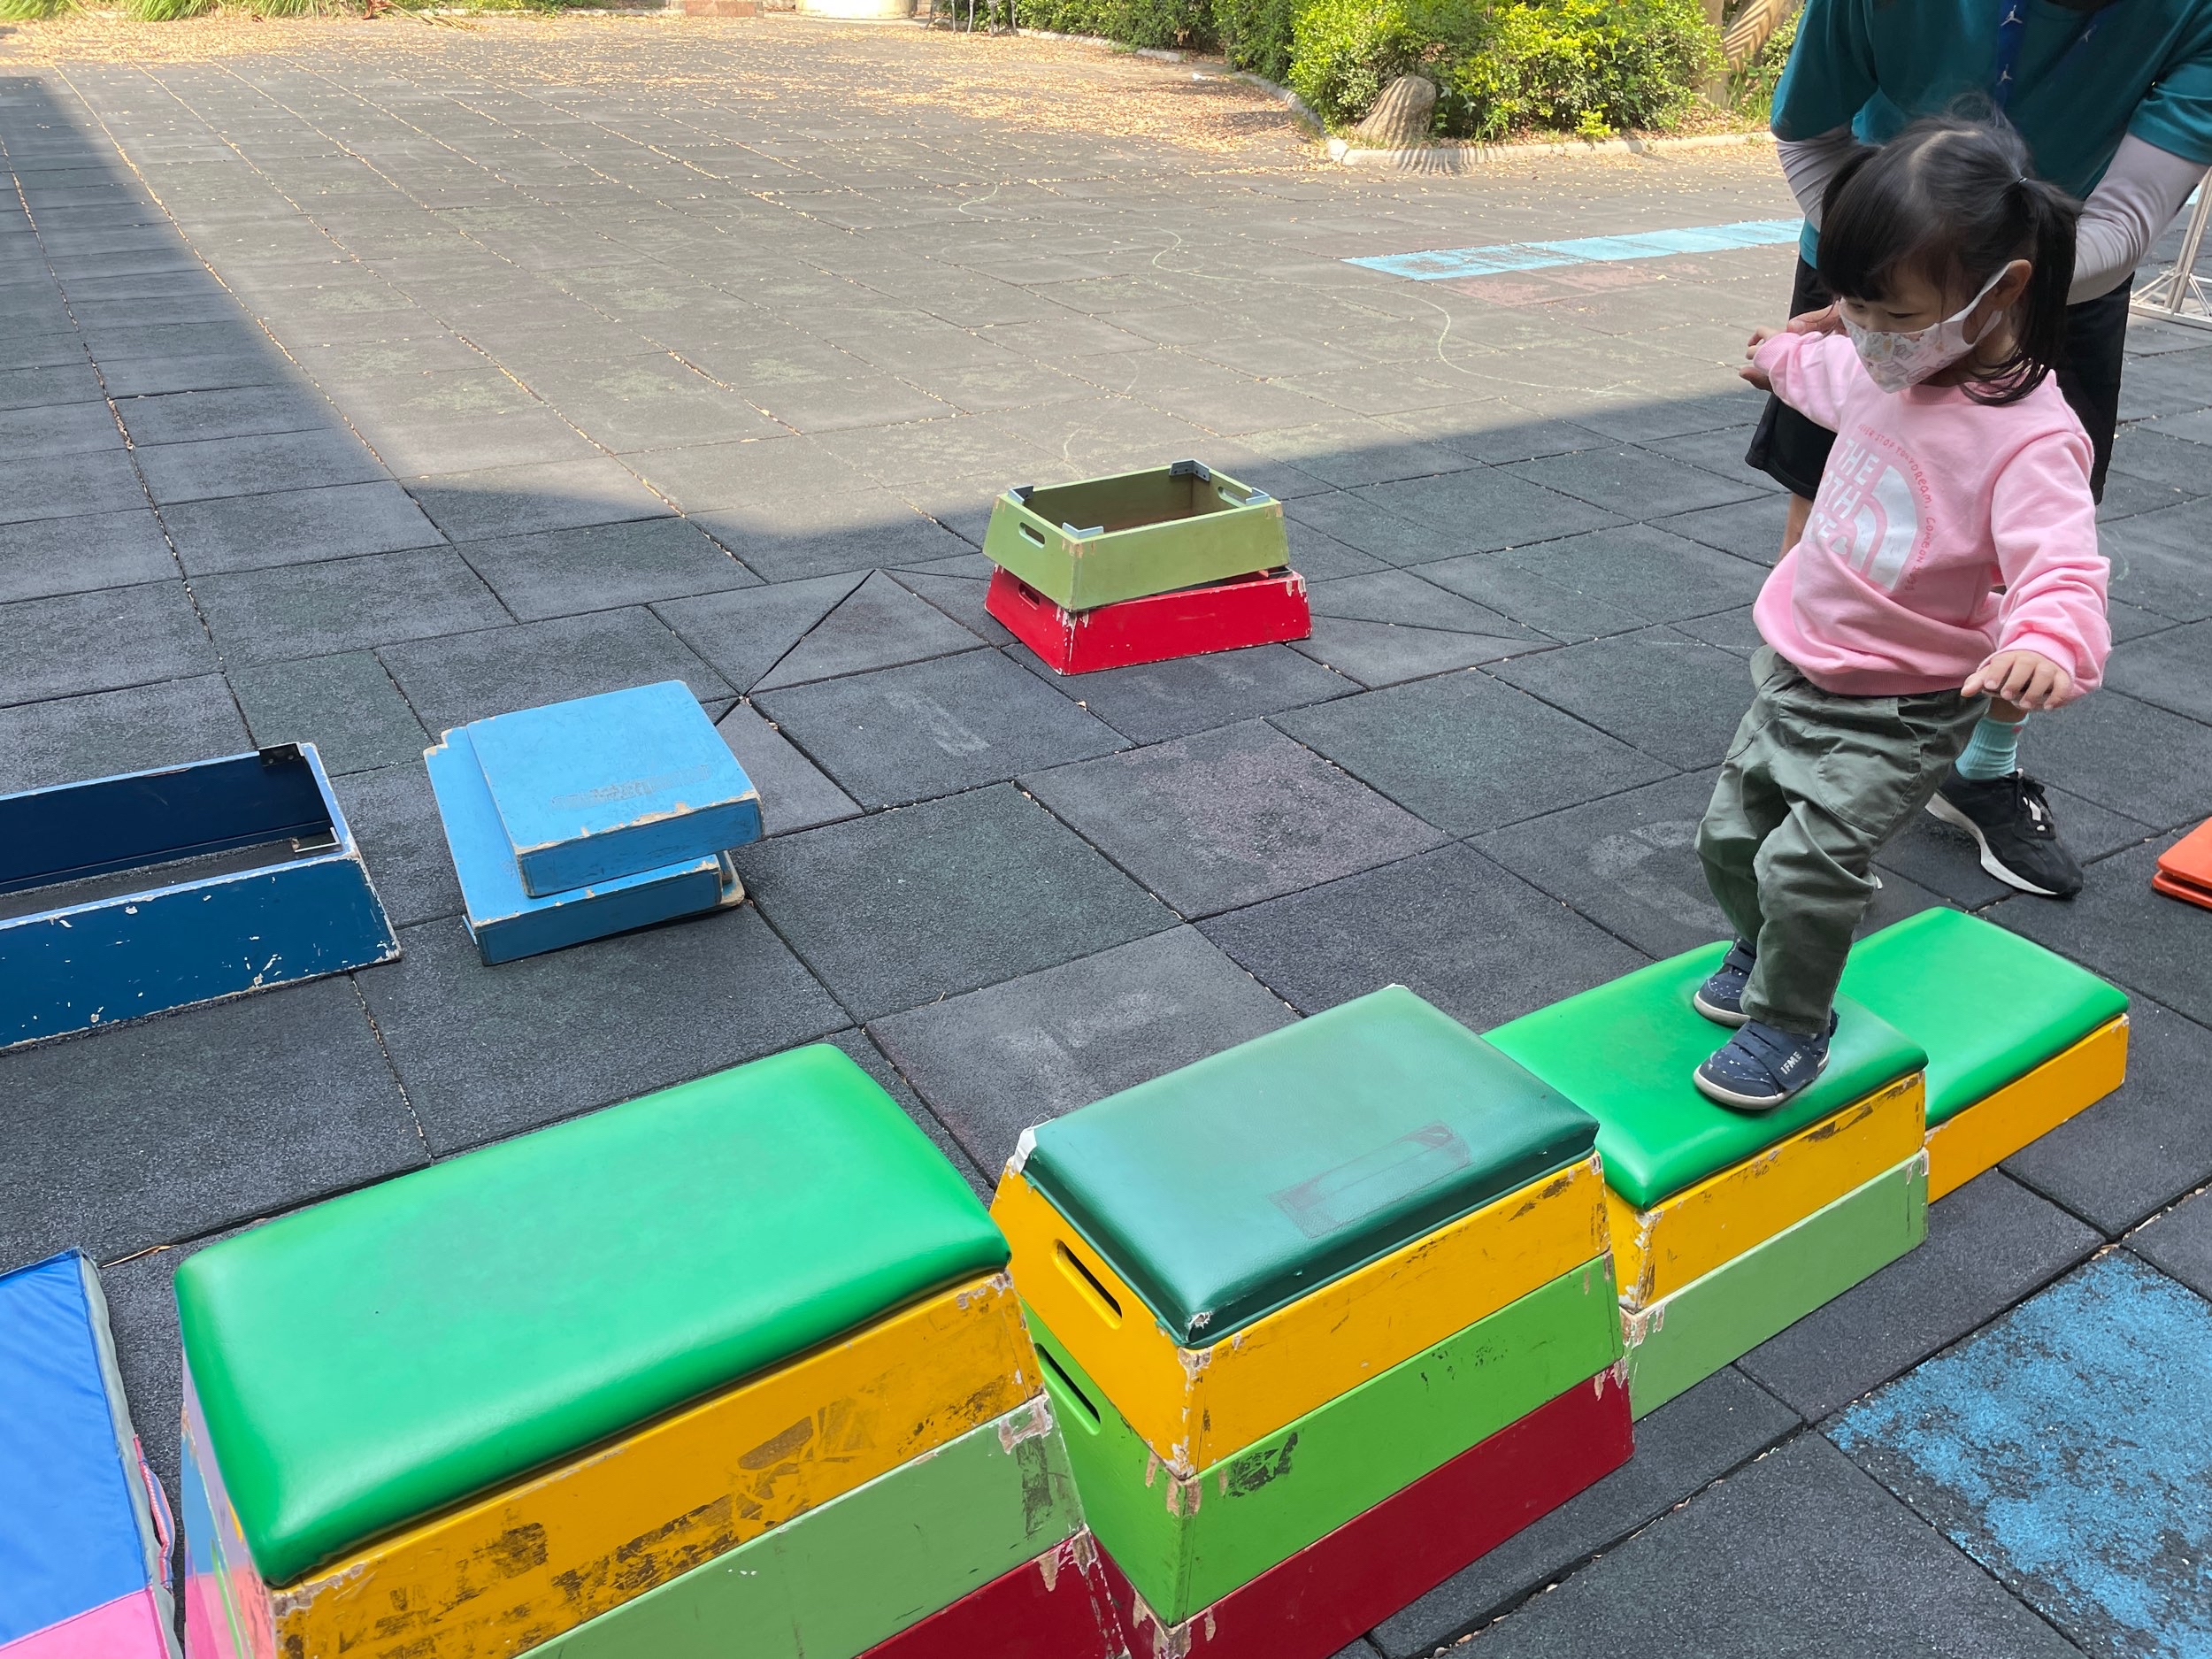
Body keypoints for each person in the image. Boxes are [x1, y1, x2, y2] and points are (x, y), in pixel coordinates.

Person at [1694, 116, 2112, 1112]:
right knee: (1730, 840)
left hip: (1904, 702)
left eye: (1891, 312)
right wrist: (1778, 355)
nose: (1866, 333)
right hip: (1798, 663)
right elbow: (1828, 371)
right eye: (1852, 306)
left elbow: (2062, 562)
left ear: (1999, 290)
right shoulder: (1890, 364)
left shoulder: (2029, 439)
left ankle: (1794, 1022)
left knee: (1809, 862)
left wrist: (2047, 641)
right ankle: (1766, 942)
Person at [1749, 0, 2212, 900]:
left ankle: (1982, 766)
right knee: (1839, 496)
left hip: (2060, 271)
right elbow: (1807, 133)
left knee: (2024, 521)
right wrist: (1880, 297)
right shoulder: (1872, 322)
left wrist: (1971, 304)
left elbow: (2124, 216)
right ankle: (1805, 711)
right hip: (1876, 246)